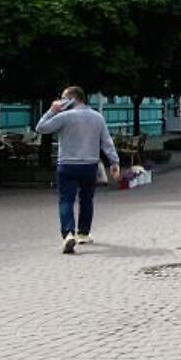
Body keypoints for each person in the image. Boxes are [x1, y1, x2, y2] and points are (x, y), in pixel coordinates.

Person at [36, 86, 120, 254]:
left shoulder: (63, 117)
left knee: (66, 199)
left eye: (63, 98)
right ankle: (83, 233)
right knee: (86, 199)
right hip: (89, 165)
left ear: (72, 99)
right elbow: (106, 142)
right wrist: (114, 162)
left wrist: (52, 110)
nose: (61, 102)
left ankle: (68, 233)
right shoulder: (97, 117)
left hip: (67, 164)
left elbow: (41, 127)